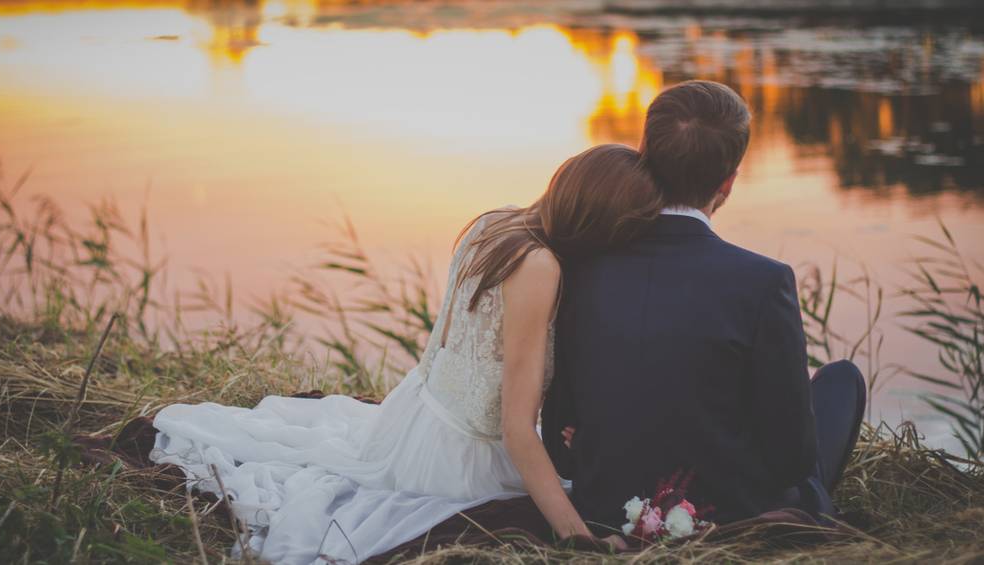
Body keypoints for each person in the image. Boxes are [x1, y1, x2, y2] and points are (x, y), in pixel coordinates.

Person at [149, 144, 664, 563]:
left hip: (415, 413)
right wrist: (575, 537)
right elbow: (513, 427)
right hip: (459, 457)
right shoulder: (539, 268)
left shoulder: (498, 223)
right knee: (569, 496)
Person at [541, 80, 867, 532]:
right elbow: (792, 459)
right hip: (726, 511)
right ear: (729, 181)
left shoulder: (580, 269)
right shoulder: (764, 281)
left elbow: (559, 444)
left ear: (645, 158)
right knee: (841, 382)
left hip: (606, 507)